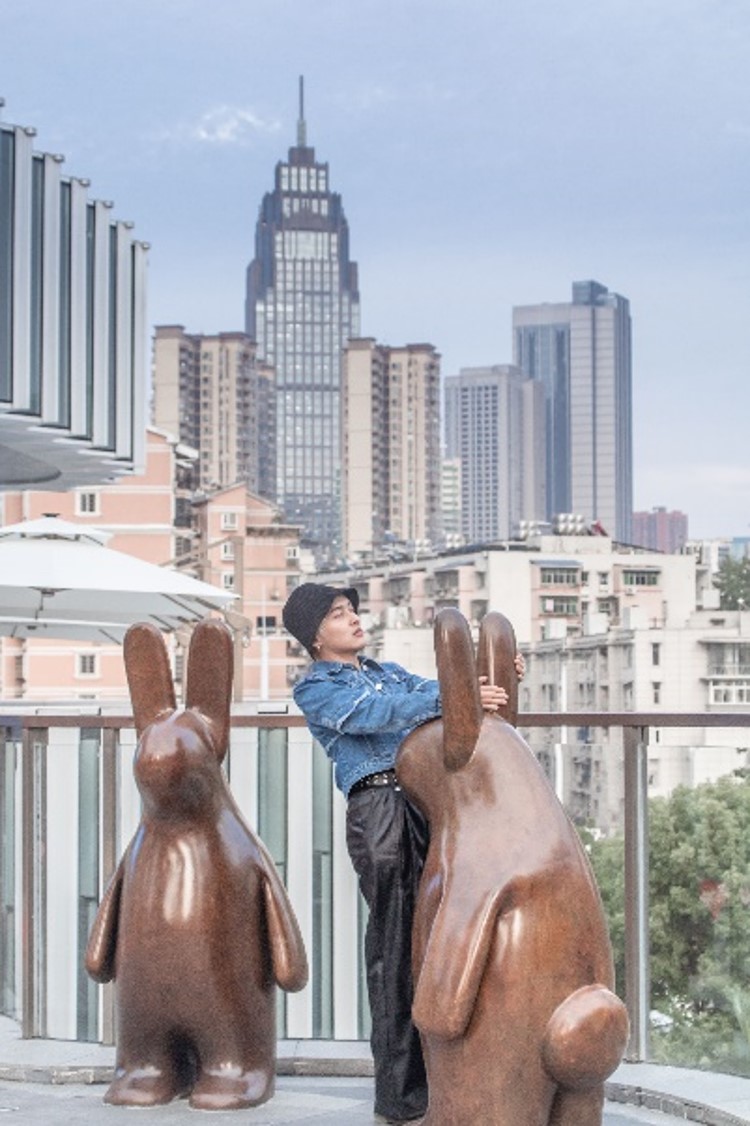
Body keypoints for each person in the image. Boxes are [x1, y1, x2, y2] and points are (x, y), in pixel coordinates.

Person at [282, 582, 522, 1125]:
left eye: (352, 611)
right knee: (395, 947)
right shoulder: (317, 688)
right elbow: (379, 713)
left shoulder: (387, 670)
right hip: (380, 811)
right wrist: (457, 696)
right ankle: (400, 1094)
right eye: (339, 615)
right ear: (315, 636)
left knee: (441, 934)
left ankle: (451, 1075)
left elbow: (439, 691)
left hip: (425, 799)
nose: (354, 620)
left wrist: (491, 682)